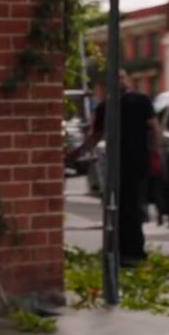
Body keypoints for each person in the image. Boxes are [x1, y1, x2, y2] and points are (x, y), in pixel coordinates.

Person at [68, 69, 162, 267]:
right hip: (121, 162)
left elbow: (154, 128)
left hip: (135, 161)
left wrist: (155, 154)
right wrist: (76, 154)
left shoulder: (138, 101)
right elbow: (96, 136)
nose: (119, 81)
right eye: (116, 78)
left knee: (131, 207)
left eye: (121, 78)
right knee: (122, 207)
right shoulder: (107, 107)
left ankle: (133, 251)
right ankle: (124, 250)